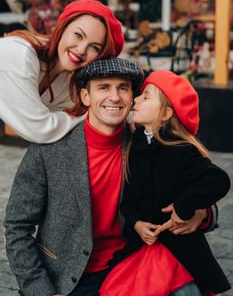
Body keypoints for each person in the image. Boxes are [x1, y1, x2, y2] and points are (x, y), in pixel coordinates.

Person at [4, 59, 219, 296]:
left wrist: (201, 213)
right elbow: (17, 227)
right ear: (86, 97)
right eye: (104, 87)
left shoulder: (144, 143)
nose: (115, 97)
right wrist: (41, 290)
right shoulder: (49, 148)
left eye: (123, 88)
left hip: (129, 265)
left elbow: (192, 183)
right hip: (67, 278)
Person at [100, 70, 231, 296]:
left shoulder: (181, 149)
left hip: (179, 250)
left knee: (184, 291)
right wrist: (136, 224)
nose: (136, 99)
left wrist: (184, 206)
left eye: (146, 96)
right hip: (143, 249)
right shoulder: (136, 147)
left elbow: (218, 180)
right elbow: (129, 201)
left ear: (165, 113)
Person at [0, 0, 124, 143]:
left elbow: (87, 107)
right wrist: (90, 115)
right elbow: (40, 130)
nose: (81, 49)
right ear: (62, 28)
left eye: (94, 47)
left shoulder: (65, 79)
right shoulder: (20, 55)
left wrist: (122, 113)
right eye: (78, 35)